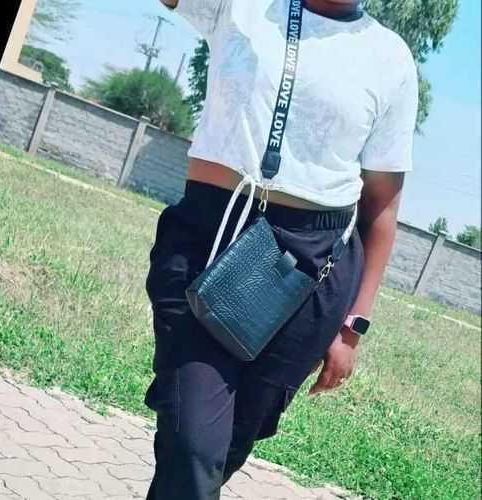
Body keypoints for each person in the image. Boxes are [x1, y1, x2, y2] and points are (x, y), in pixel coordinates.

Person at [143, 0, 419, 498]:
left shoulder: (391, 57)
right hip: (213, 237)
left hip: (311, 267)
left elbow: (381, 207)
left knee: (223, 452)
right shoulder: (242, 6)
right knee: (194, 445)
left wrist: (353, 326)